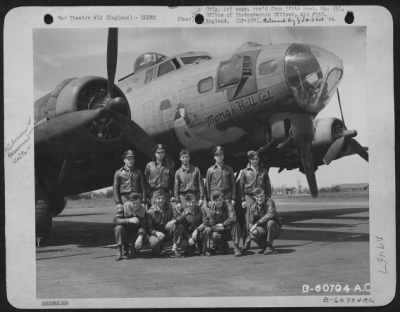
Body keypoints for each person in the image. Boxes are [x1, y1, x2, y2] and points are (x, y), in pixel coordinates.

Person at [239, 150, 272, 237]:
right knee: (249, 219)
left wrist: (268, 198)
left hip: (261, 197)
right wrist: (243, 200)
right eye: (253, 159)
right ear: (249, 160)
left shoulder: (264, 171)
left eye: (257, 159)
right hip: (249, 196)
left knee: (262, 217)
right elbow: (241, 187)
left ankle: (264, 243)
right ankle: (247, 243)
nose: (255, 161)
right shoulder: (244, 171)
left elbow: (268, 186)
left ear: (259, 159)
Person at [241, 188, 281, 255]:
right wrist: (251, 234)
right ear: (255, 197)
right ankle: (266, 247)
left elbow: (271, 213)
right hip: (262, 229)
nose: (260, 199)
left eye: (261, 196)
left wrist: (258, 223)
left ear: (265, 196)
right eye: (257, 197)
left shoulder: (270, 202)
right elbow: (251, 223)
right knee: (253, 233)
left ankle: (269, 245)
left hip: (274, 228)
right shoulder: (253, 208)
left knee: (270, 222)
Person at [202, 191, 242, 257]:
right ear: (213, 201)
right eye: (216, 200)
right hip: (219, 230)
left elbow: (233, 218)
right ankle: (223, 247)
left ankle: (236, 247)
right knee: (214, 235)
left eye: (220, 200)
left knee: (235, 224)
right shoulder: (211, 209)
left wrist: (223, 224)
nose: (218, 202)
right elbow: (212, 224)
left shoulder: (228, 204)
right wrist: (219, 228)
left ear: (223, 199)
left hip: (229, 229)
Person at [113, 193, 149, 261]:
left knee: (144, 237)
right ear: (130, 202)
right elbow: (115, 221)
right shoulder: (123, 208)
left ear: (140, 202)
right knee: (118, 228)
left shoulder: (143, 211)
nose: (136, 205)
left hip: (135, 233)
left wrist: (140, 236)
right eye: (133, 203)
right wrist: (128, 220)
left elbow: (144, 226)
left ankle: (133, 246)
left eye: (138, 203)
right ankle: (120, 251)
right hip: (126, 233)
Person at [147, 191, 173, 256]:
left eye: (162, 198)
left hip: (167, 231)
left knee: (177, 226)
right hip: (156, 233)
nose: (161, 200)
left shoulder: (170, 207)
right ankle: (160, 246)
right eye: (158, 198)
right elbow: (149, 228)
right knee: (154, 245)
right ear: (155, 200)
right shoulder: (150, 211)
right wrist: (156, 233)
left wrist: (172, 221)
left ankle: (175, 247)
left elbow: (178, 217)